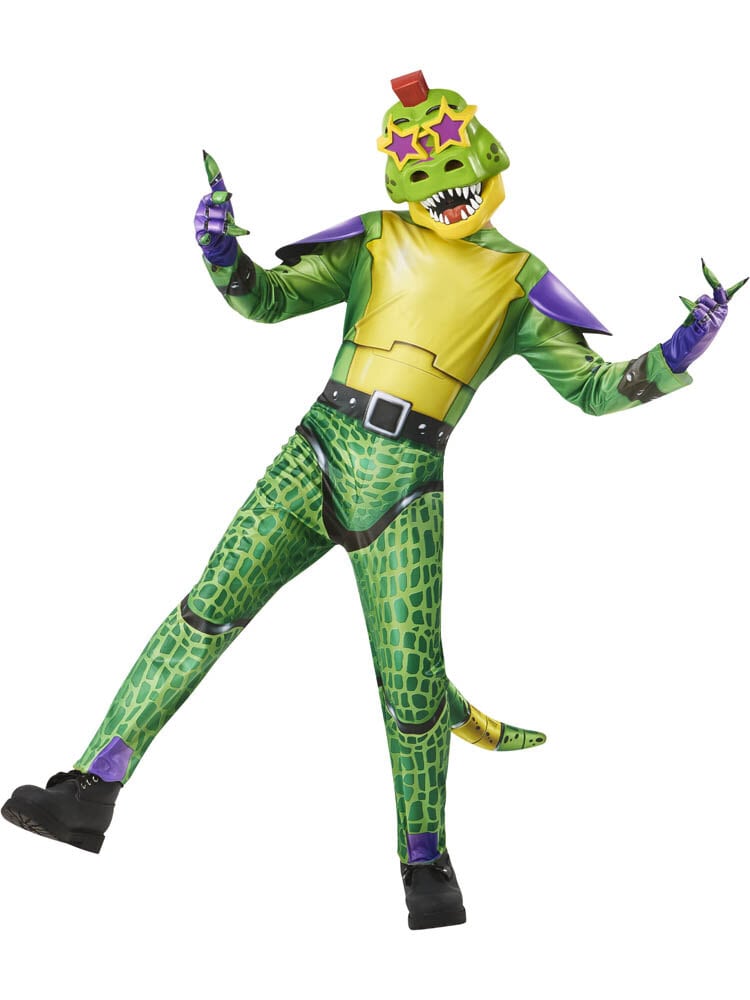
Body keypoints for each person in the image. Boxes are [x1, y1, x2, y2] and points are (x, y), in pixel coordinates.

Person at [2, 70, 743, 930]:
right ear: (397, 178)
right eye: (419, 170)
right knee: (206, 610)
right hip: (316, 449)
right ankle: (90, 789)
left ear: (490, 157)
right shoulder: (374, 239)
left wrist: (677, 352)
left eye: (453, 162)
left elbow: (592, 389)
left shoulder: (518, 280)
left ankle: (426, 863)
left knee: (409, 686)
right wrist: (221, 255)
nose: (443, 184)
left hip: (405, 484)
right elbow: (267, 300)